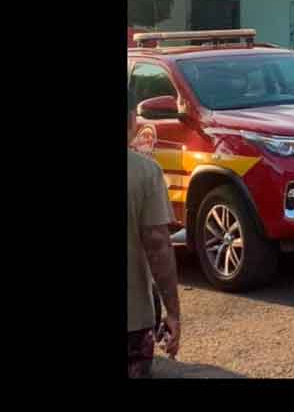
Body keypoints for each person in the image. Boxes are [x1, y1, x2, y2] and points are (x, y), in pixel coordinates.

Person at [127, 87, 181, 378]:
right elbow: (158, 246)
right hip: (132, 319)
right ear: (132, 120)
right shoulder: (145, 172)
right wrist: (173, 313)